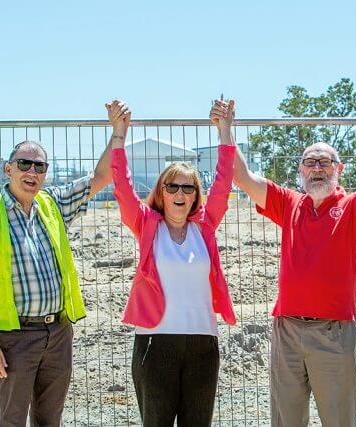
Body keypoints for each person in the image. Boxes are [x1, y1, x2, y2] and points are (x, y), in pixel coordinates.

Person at [210, 97, 356, 426]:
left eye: (325, 162)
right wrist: (226, 129)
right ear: (300, 170)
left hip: (333, 332)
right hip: (287, 331)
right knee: (286, 420)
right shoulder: (289, 203)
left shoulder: (350, 208)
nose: (317, 168)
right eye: (310, 162)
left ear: (339, 170)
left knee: (339, 420)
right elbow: (243, 177)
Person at [0, 100, 127, 426]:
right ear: (8, 169)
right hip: (15, 336)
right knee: (12, 420)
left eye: (39, 167)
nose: (32, 172)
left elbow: (102, 176)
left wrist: (118, 132)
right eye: (24, 164)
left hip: (58, 333)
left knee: (51, 420)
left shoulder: (52, 205)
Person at [108, 101, 237, 426]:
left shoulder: (204, 226)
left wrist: (224, 130)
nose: (180, 192)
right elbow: (122, 187)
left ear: (195, 195)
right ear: (162, 193)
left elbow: (224, 181)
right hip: (156, 342)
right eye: (172, 186)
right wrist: (119, 135)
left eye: (188, 187)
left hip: (202, 344)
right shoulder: (147, 224)